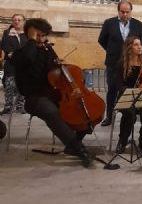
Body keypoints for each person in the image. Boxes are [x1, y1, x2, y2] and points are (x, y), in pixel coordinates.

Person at [12, 18, 92, 167]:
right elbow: (29, 58)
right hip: (34, 98)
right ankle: (79, 149)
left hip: (52, 93)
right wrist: (31, 41)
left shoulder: (47, 50)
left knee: (82, 108)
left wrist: (60, 65)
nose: (42, 39)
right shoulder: (20, 53)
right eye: (39, 35)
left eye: (44, 35)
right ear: (30, 35)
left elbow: (56, 71)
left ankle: (72, 143)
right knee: (52, 112)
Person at [98, 0, 142, 126]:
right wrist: (112, 51)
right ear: (118, 11)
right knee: (112, 89)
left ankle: (130, 112)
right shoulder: (109, 23)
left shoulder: (137, 24)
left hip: (132, 62)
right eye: (122, 12)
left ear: (131, 12)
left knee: (129, 88)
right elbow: (102, 40)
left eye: (127, 12)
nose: (124, 15)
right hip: (114, 62)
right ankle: (109, 116)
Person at [115, 36, 142, 153]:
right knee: (129, 113)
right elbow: (118, 85)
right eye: (136, 45)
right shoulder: (122, 63)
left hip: (141, 97)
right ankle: (122, 141)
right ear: (129, 48)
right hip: (126, 97)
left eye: (140, 44)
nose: (140, 47)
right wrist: (128, 91)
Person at [1, 14, 27, 114]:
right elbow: (4, 45)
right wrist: (11, 53)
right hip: (11, 63)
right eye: (14, 20)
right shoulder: (7, 33)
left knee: (22, 86)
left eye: (19, 20)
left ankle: (20, 106)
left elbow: (28, 47)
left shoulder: (26, 34)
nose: (16, 22)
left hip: (23, 65)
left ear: (23, 21)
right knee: (9, 85)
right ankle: (8, 107)